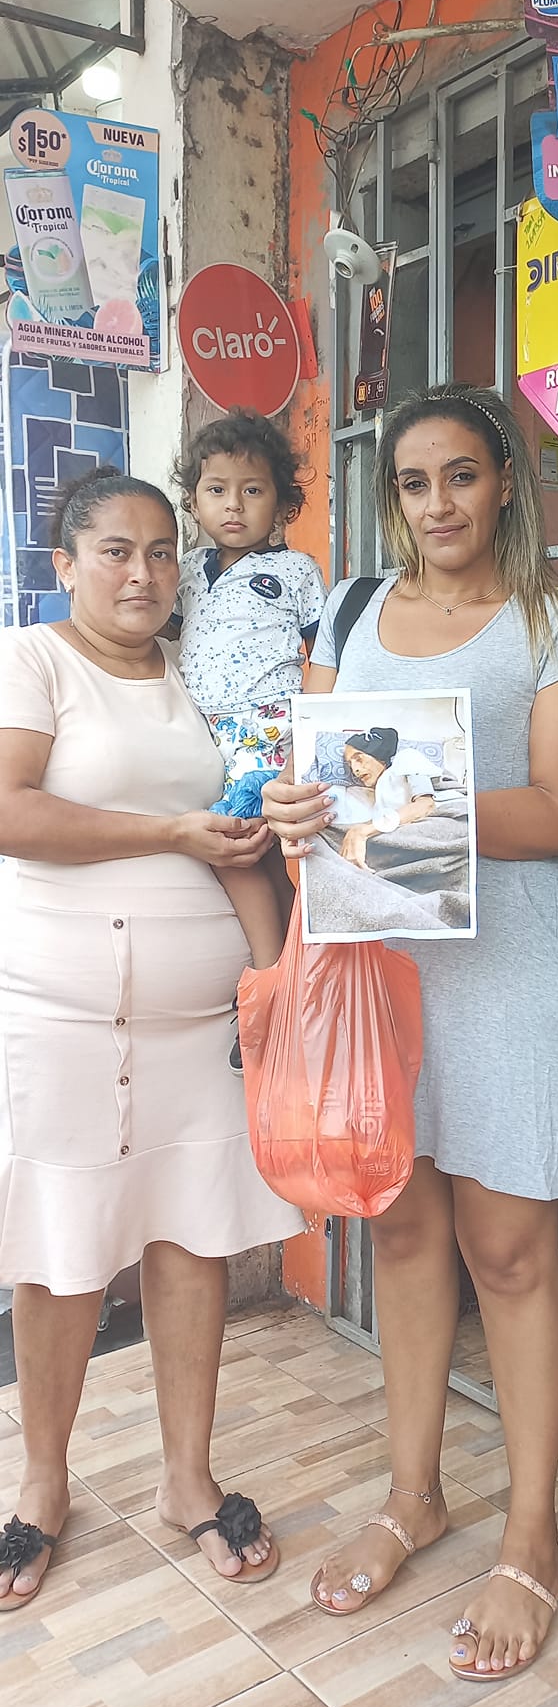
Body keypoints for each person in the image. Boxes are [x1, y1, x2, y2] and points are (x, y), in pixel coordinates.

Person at [262, 384, 558, 1682]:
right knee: (403, 1234)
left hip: (511, 967)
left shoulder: (552, 616)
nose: (437, 503)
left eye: (460, 475)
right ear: (391, 496)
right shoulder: (349, 612)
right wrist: (300, 809)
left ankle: (532, 1532)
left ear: (503, 480)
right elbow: (303, 776)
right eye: (413, 482)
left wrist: (384, 803)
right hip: (381, 970)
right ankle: (412, 1496)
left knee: (511, 1253)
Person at [0, 467, 305, 1613]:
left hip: (195, 1028)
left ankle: (187, 1478)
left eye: (163, 551)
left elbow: (238, 842)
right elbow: (10, 807)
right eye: (116, 551)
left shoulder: (195, 676)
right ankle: (42, 1482)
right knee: (61, 1246)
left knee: (192, 1239)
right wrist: (172, 829)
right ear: (65, 563)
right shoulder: (33, 660)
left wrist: (275, 983)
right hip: (61, 1016)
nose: (143, 573)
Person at [172, 408, 328, 1059]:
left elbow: (327, 655)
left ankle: (277, 990)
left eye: (252, 489)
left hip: (269, 728)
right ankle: (286, 987)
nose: (233, 505)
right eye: (216, 490)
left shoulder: (297, 572)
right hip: (201, 733)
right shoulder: (183, 571)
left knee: (254, 848)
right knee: (248, 853)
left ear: (284, 504)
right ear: (193, 501)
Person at [335, 726, 437, 867]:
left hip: (437, 820)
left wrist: (364, 831)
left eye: (358, 758)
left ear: (377, 754)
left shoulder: (406, 757)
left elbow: (426, 804)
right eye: (350, 764)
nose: (355, 769)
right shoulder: (377, 793)